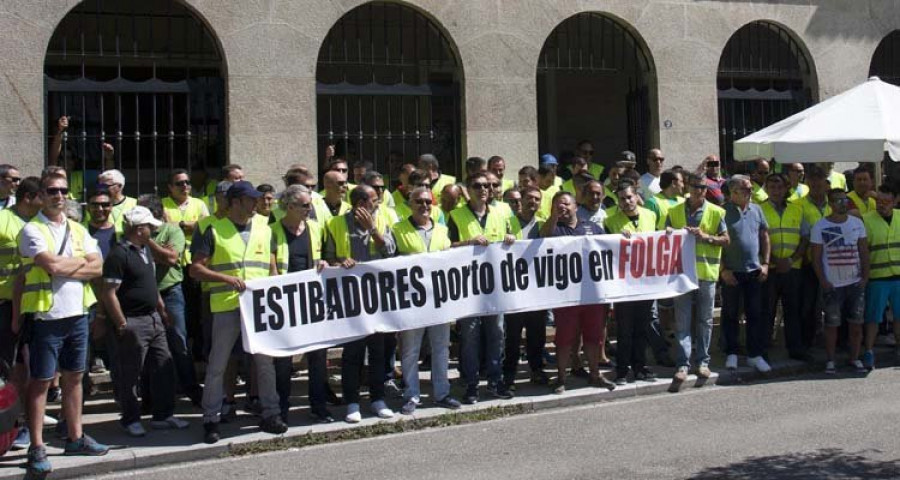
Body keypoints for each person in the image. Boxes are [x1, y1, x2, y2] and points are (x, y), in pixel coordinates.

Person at [15, 173, 109, 476]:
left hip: (78, 314)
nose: (59, 195)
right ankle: (37, 446)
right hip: (47, 317)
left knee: (74, 378)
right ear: (41, 194)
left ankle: (75, 437)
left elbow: (98, 267)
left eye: (63, 190)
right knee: (41, 382)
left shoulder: (79, 229)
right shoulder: (33, 229)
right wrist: (79, 264)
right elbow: (51, 265)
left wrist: (70, 267)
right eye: (52, 190)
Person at [191, 181, 287, 444]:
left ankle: (271, 414)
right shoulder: (212, 229)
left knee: (264, 363)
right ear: (235, 202)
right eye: (251, 199)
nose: (257, 203)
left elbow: (272, 268)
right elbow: (195, 269)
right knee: (217, 365)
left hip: (258, 307)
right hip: (226, 306)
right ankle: (211, 418)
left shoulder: (264, 229)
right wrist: (225, 279)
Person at [102, 206, 189, 437]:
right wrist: (121, 323)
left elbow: (150, 282)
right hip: (132, 321)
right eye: (149, 226)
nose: (153, 229)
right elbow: (109, 292)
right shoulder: (119, 254)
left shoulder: (145, 250)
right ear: (139, 229)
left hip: (153, 319)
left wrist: (160, 308)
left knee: (163, 365)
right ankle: (130, 419)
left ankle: (163, 415)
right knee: (130, 373)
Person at [324, 184, 397, 423]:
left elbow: (389, 252)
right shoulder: (336, 224)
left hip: (376, 297)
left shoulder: (383, 219)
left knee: (378, 351)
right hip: (350, 299)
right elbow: (329, 256)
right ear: (360, 204)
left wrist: (372, 229)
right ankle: (352, 402)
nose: (378, 203)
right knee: (352, 353)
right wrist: (341, 261)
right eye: (374, 200)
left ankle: (377, 399)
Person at [447, 173, 516, 403]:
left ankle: (495, 381)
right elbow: (446, 248)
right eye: (477, 186)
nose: (483, 189)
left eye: (487, 186)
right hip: (468, 289)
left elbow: (513, 242)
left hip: (495, 287)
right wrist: (468, 243)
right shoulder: (456, 216)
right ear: (469, 189)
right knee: (470, 337)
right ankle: (471, 384)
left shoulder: (501, 213)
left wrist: (510, 238)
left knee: (497, 334)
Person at [393, 187, 462, 415]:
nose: (424, 206)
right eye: (419, 201)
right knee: (411, 350)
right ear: (410, 204)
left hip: (439, 300)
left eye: (428, 202)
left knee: (441, 348)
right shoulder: (398, 229)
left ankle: (442, 393)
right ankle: (411, 394)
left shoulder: (442, 230)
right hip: (412, 301)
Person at [541, 191, 616, 393]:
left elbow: (611, 250)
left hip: (592, 294)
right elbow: (543, 236)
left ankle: (594, 374)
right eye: (557, 204)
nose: (562, 207)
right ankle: (561, 378)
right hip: (566, 295)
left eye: (565, 203)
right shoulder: (554, 228)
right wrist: (554, 217)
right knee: (564, 338)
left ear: (576, 206)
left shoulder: (592, 227)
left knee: (593, 336)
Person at [269, 185, 332, 423]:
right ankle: (282, 407)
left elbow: (325, 254)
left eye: (310, 204)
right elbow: (271, 263)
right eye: (305, 205)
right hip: (285, 302)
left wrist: (325, 262)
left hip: (313, 300)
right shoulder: (273, 230)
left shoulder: (315, 228)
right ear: (290, 206)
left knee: (318, 356)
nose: (310, 209)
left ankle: (318, 406)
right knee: (284, 359)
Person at [666, 174, 729, 391]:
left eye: (703, 188)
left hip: (706, 273)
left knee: (704, 320)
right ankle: (683, 365)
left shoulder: (716, 211)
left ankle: (703, 362)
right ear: (688, 187)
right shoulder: (673, 211)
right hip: (682, 274)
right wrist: (669, 233)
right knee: (682, 322)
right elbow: (662, 237)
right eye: (695, 187)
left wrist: (706, 237)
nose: (699, 191)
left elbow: (726, 239)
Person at [139, 194, 202, 406]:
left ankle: (191, 389)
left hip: (170, 292)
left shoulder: (172, 231)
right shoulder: (133, 236)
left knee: (178, 341)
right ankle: (149, 397)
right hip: (146, 295)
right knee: (148, 347)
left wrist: (147, 241)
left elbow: (171, 258)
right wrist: (158, 250)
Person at [0, 177, 42, 449]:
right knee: (8, 368)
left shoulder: (41, 223)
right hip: (5, 305)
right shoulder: (3, 219)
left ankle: (23, 424)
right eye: (46, 194)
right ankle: (12, 427)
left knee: (31, 369)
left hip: (36, 305)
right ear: (29, 197)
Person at [604, 184, 659, 384]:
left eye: (629, 197)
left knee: (642, 327)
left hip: (646, 282)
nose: (626, 202)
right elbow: (607, 250)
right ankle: (621, 370)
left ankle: (640, 367)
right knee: (624, 329)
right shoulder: (610, 221)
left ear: (636, 196)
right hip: (624, 284)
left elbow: (659, 242)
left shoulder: (650, 215)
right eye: (622, 199)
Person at [810, 188, 869, 374]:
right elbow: (816, 257)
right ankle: (830, 360)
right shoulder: (820, 226)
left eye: (844, 200)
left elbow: (864, 252)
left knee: (856, 324)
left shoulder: (857, 223)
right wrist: (823, 281)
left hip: (855, 283)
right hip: (833, 284)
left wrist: (865, 277)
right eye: (837, 200)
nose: (842, 203)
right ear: (830, 204)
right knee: (832, 324)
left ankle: (854, 358)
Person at [720, 175, 772, 373]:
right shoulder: (722, 212)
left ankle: (754, 354)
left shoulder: (757, 209)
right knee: (730, 314)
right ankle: (731, 353)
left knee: (755, 314)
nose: (750, 192)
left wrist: (765, 263)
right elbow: (717, 243)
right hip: (732, 272)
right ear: (733, 192)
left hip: (754, 270)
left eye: (750, 189)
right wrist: (723, 269)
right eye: (746, 189)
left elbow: (764, 236)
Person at [760, 173, 810, 361]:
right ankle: (763, 349)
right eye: (772, 187)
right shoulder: (759, 209)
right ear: (766, 189)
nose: (776, 191)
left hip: (792, 267)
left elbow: (805, 237)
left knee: (793, 310)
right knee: (767, 310)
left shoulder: (797, 209)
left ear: (786, 188)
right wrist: (772, 259)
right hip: (769, 268)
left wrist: (791, 260)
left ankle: (795, 349)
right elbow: (757, 238)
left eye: (779, 187)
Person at [502, 186, 549, 388]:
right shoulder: (508, 223)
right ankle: (509, 374)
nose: (533, 202)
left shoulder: (543, 224)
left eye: (537, 199)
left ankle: (536, 370)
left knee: (536, 334)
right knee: (512, 335)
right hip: (513, 289)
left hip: (536, 289)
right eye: (529, 198)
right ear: (520, 200)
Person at [861, 184, 900, 370]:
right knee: (873, 318)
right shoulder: (866, 220)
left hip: (898, 277)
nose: (881, 205)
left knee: (899, 316)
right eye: (878, 201)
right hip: (877, 278)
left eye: (885, 201)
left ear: (895, 201)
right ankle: (868, 352)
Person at [796, 167, 831, 349]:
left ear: (827, 183)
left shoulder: (833, 204)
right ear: (807, 182)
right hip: (808, 263)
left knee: (833, 303)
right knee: (808, 304)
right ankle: (808, 341)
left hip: (833, 262)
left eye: (820, 179)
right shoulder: (798, 205)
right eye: (812, 179)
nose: (816, 183)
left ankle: (834, 340)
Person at [162, 169, 210, 266]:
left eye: (187, 182)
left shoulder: (199, 203)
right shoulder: (162, 204)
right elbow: (161, 229)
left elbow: (204, 228)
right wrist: (188, 225)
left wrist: (176, 225)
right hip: (171, 258)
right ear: (170, 187)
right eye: (179, 183)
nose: (184, 186)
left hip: (194, 258)